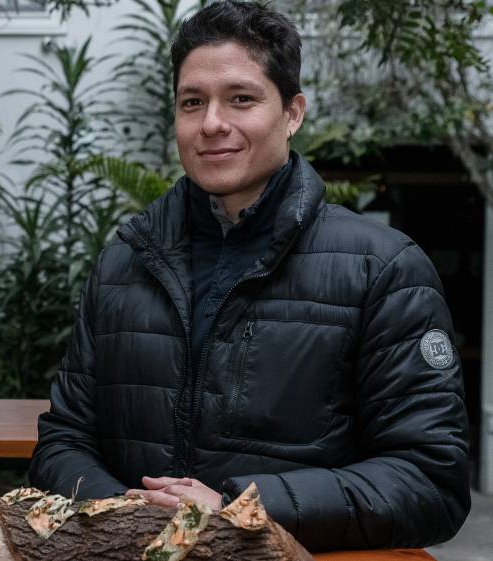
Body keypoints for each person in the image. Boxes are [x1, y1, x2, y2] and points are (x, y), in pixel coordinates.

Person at [28, 0, 469, 551]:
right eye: (193, 102)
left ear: (292, 112)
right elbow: (62, 442)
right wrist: (118, 512)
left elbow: (429, 481)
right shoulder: (124, 261)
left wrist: (240, 508)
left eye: (241, 98)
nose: (212, 124)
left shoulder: (382, 269)